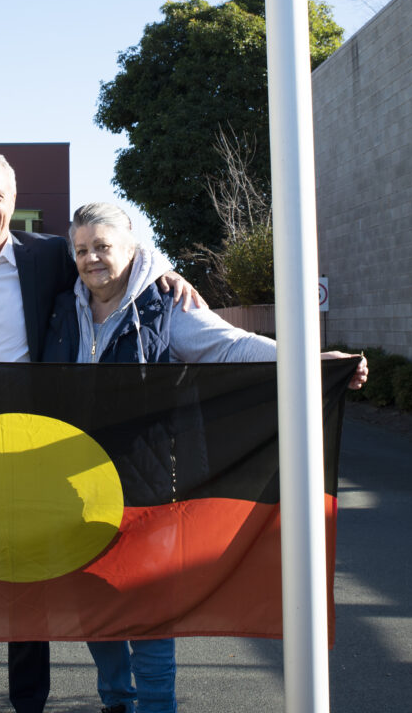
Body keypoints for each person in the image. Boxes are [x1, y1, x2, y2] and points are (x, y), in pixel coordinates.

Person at [0, 154, 205, 713]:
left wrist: (163, 272)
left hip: (34, 457)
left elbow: (112, 265)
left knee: (27, 590)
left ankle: (29, 704)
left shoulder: (46, 258)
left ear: (12, 202)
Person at [42, 202, 368, 713]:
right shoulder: (63, 306)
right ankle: (115, 700)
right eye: (81, 249)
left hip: (147, 489)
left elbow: (232, 348)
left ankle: (156, 706)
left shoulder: (166, 307)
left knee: (149, 611)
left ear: (131, 248)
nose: (91, 259)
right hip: (78, 491)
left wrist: (310, 361)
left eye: (103, 246)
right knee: (95, 604)